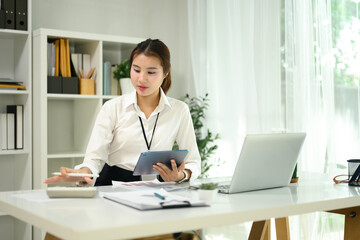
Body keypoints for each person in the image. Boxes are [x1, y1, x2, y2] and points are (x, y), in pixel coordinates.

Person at [44, 38, 201, 187]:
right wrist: (82, 174)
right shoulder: (112, 108)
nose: (141, 79)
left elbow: (193, 161)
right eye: (136, 70)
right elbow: (94, 159)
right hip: (114, 186)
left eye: (151, 72)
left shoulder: (179, 110)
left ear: (166, 72)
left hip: (160, 188)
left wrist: (181, 176)